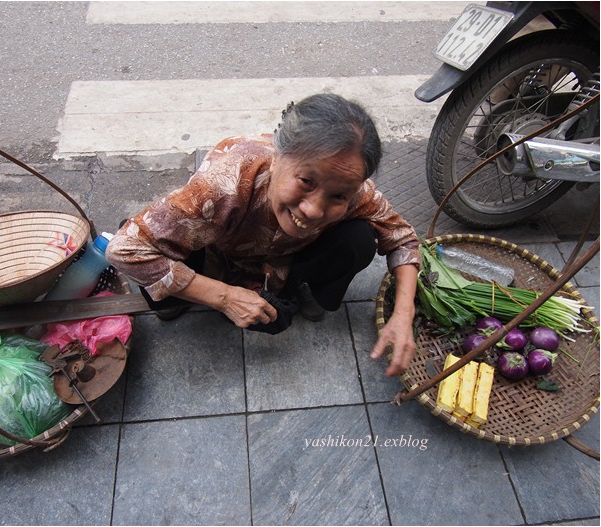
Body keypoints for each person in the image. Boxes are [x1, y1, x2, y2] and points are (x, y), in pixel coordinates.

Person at [106, 93, 420, 376]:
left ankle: (311, 294)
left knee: (360, 238)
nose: (313, 210)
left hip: (280, 261)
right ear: (278, 154)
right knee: (157, 245)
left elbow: (403, 238)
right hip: (218, 255)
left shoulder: (351, 188)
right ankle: (178, 300)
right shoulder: (225, 184)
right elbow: (125, 249)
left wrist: (403, 314)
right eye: (306, 181)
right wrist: (224, 297)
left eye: (338, 196)